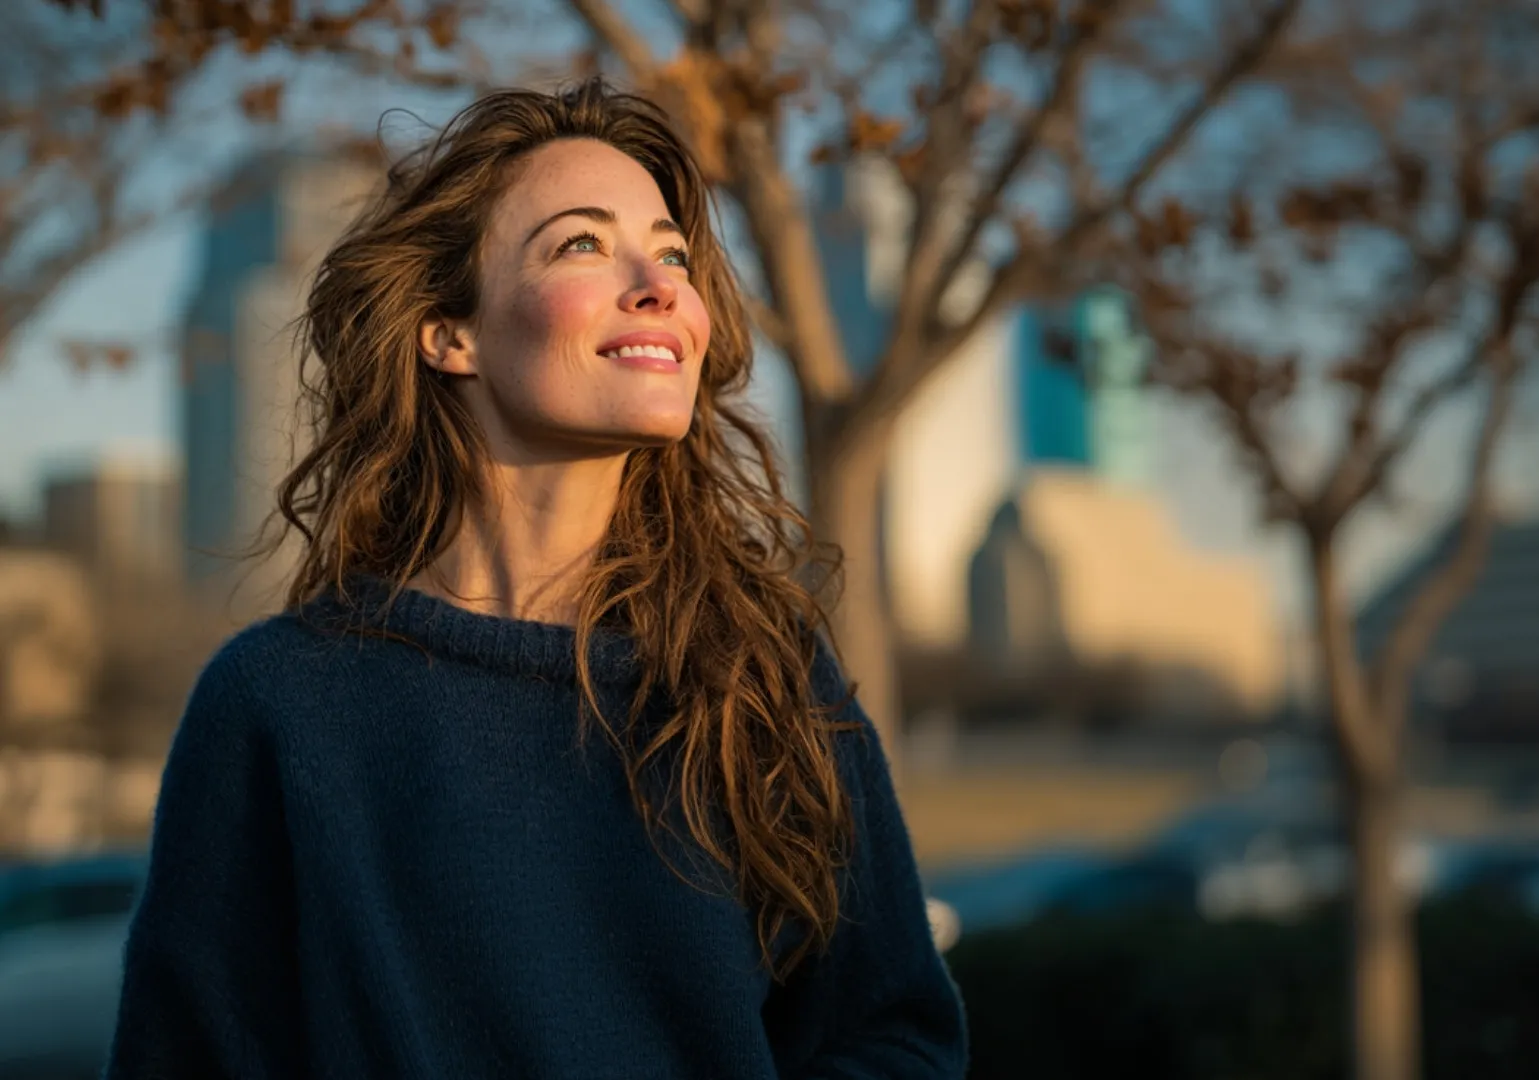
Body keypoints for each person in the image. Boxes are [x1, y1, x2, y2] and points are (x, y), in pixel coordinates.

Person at [105, 79, 967, 1079]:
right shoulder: (280, 703)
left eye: (674, 253)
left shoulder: (767, 676)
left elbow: (896, 1036)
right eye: (583, 244)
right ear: (449, 332)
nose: (660, 286)